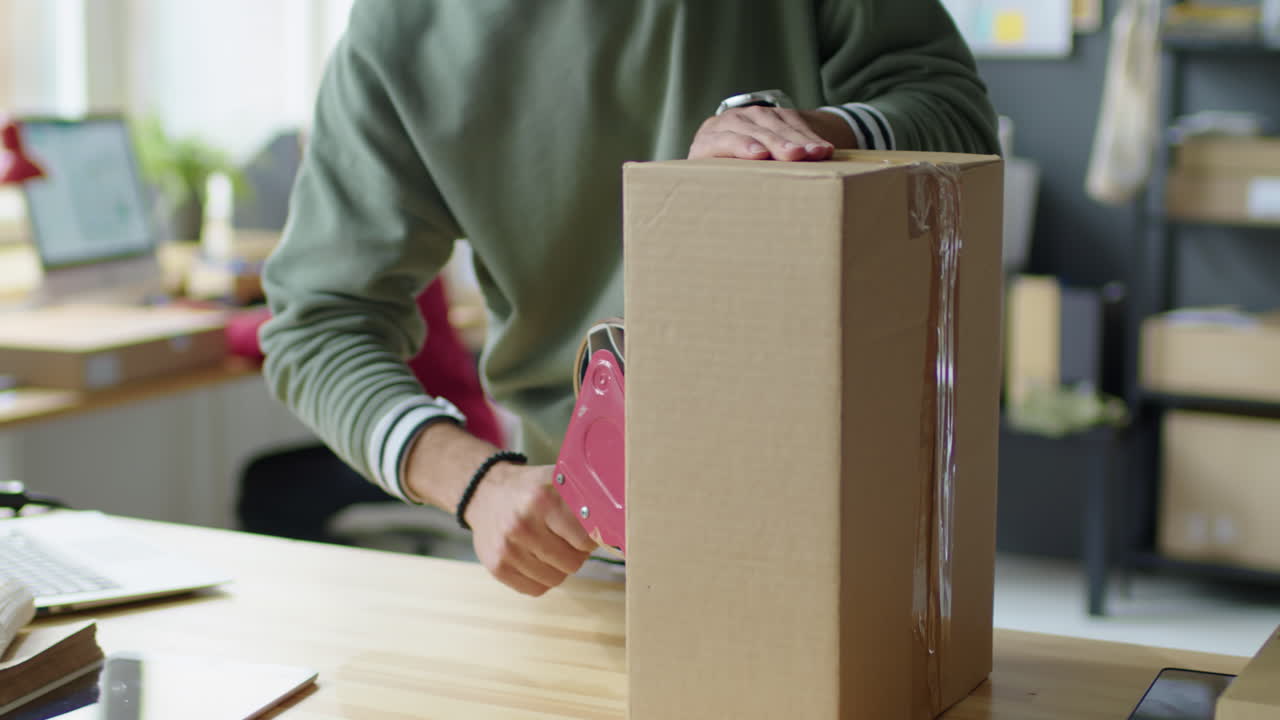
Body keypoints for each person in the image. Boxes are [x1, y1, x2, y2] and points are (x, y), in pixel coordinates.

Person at [260, 0, 1000, 597]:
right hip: (596, 556)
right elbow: (318, 324)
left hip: (852, 526)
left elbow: (960, 123)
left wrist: (799, 135)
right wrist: (477, 485)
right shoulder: (397, 31)